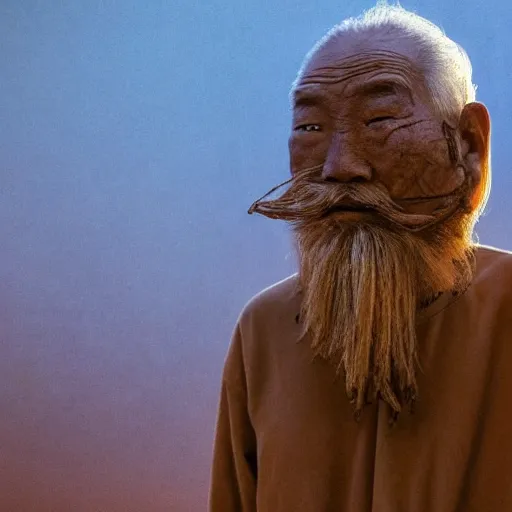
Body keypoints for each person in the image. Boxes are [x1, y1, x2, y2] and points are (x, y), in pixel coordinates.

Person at [209, 4, 512, 511]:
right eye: (310, 129)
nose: (339, 167)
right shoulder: (265, 331)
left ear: (469, 146)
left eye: (380, 121)